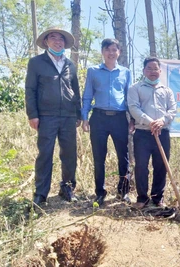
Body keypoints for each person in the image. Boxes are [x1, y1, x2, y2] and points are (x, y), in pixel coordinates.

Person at [25, 27, 81, 206]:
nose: (58, 41)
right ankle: (41, 193)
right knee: (45, 154)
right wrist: (32, 114)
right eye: (53, 38)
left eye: (61, 39)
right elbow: (30, 89)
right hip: (46, 116)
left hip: (68, 117)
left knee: (69, 153)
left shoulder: (70, 64)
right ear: (46, 42)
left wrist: (78, 113)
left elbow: (76, 90)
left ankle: (68, 188)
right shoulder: (36, 63)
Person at [81, 38, 133, 206]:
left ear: (119, 52)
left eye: (114, 50)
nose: (111, 53)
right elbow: (88, 95)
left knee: (123, 157)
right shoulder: (93, 71)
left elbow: (129, 98)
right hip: (99, 118)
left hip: (119, 118)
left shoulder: (125, 72)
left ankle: (123, 191)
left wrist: (132, 119)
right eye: (108, 49)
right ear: (103, 52)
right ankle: (100, 192)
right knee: (99, 156)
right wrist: (84, 118)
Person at [127, 57, 177, 209]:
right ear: (144, 71)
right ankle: (142, 198)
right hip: (143, 133)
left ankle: (157, 198)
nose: (152, 72)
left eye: (155, 69)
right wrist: (150, 122)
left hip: (162, 133)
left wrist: (162, 121)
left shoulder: (167, 91)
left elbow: (172, 110)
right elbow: (134, 108)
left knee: (161, 165)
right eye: (149, 68)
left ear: (160, 71)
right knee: (141, 166)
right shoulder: (135, 88)